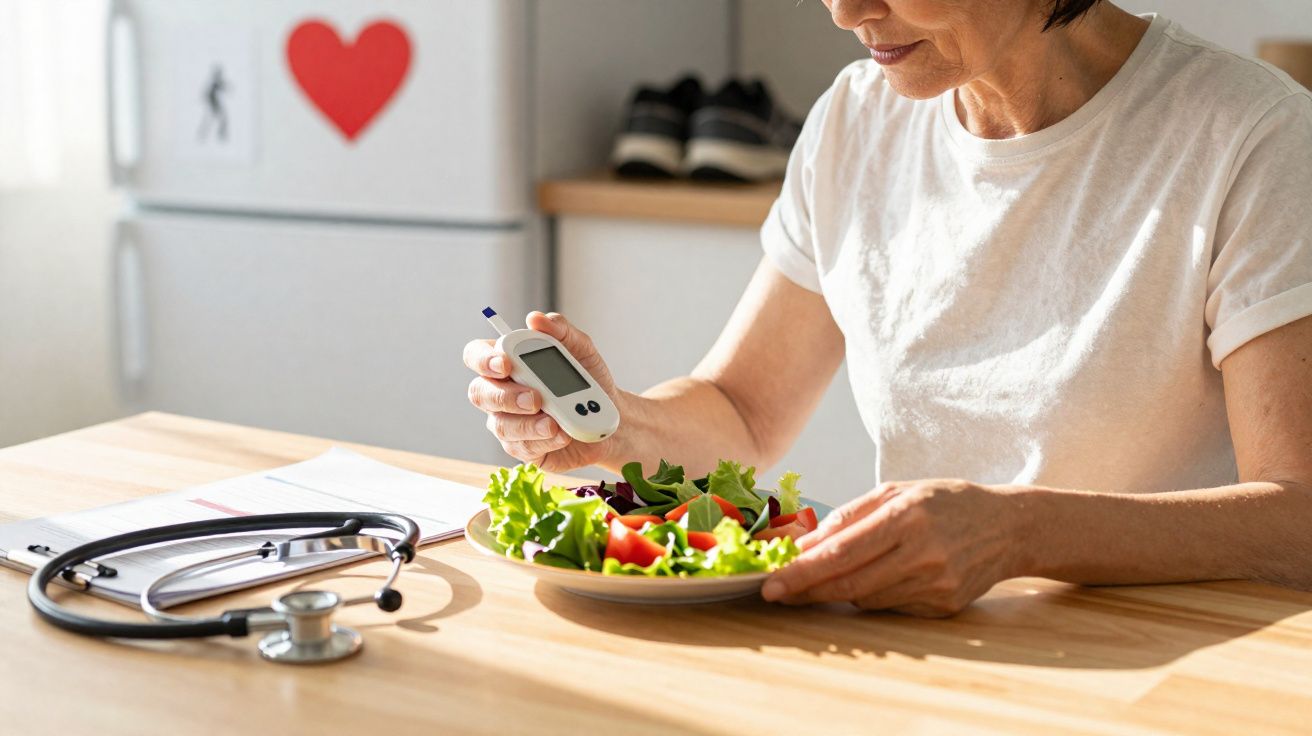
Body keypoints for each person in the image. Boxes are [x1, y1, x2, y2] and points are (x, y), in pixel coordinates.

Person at [464, 0, 1312, 617]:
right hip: (922, 660)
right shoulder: (855, 119)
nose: (844, 11)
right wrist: (621, 428)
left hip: (1165, 675)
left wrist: (1020, 533)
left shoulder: (1252, 136)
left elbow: (1298, 521)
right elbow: (743, 412)